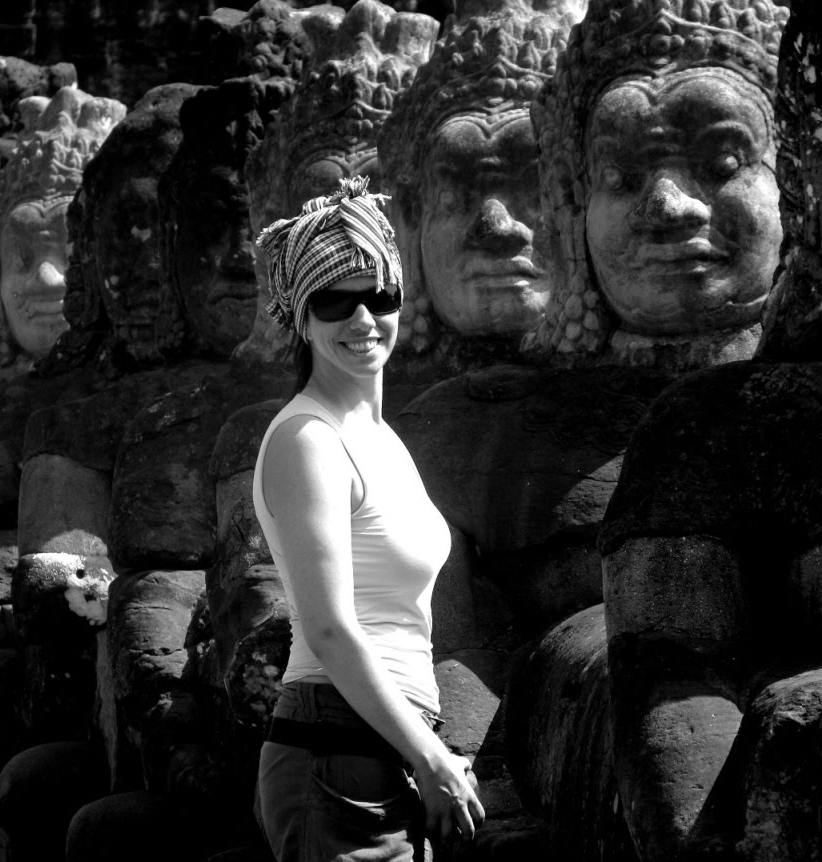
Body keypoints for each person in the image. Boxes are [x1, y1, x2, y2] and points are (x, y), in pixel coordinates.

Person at [252, 176, 484, 861]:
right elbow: (328, 627)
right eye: (334, 302)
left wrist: (422, 750)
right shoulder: (308, 439)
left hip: (386, 744)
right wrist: (431, 758)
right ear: (301, 318)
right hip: (337, 750)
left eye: (378, 297)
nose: (361, 320)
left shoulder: (381, 438)